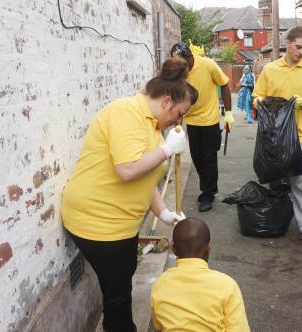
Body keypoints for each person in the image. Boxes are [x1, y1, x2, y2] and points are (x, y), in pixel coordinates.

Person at [61, 58, 198, 332]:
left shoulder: (152, 124)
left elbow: (145, 177)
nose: (179, 121)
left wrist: (163, 212)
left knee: (121, 281)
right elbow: (127, 170)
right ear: (167, 101)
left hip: (120, 222)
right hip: (97, 221)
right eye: (179, 113)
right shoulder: (126, 113)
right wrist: (167, 150)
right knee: (119, 293)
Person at [253, 26, 302, 247]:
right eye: (298, 46)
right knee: (274, 181)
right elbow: (257, 96)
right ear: (288, 42)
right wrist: (259, 103)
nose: (301, 52)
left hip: (300, 137)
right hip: (273, 137)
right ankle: (275, 222)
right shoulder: (270, 69)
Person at [150, 217, 250, 331]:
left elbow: (159, 325)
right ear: (208, 249)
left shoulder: (161, 284)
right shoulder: (227, 285)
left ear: (173, 249)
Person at [170, 43, 233, 213]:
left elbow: (224, 84)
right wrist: (177, 118)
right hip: (191, 121)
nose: (181, 68)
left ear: (190, 58)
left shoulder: (207, 65)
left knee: (208, 158)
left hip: (209, 120)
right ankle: (207, 186)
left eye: (183, 64)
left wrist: (228, 112)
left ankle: (208, 194)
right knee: (197, 158)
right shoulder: (179, 73)